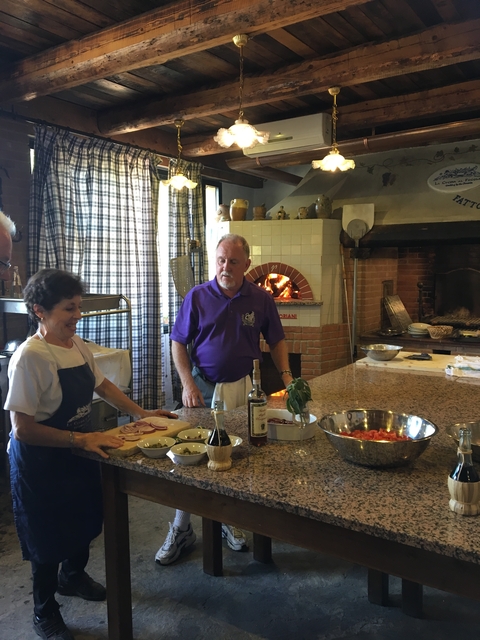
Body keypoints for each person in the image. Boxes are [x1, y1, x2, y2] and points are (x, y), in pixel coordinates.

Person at [5, 268, 177, 640]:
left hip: (79, 448)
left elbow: (104, 385)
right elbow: (23, 428)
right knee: (46, 538)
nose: (77, 316)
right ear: (40, 311)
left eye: (79, 307)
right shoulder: (29, 357)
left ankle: (72, 576)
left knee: (83, 520)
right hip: (39, 460)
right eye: (69, 309)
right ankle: (43, 611)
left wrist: (142, 413)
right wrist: (80, 441)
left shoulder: (78, 345)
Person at [155, 233, 293, 565]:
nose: (225, 267)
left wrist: (288, 378)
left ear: (247, 264)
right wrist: (187, 384)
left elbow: (276, 340)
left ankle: (228, 522)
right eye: (220, 259)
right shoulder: (197, 297)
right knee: (194, 460)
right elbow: (178, 342)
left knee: (237, 457)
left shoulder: (261, 299)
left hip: (244, 387)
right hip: (202, 386)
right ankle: (181, 528)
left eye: (233, 261)